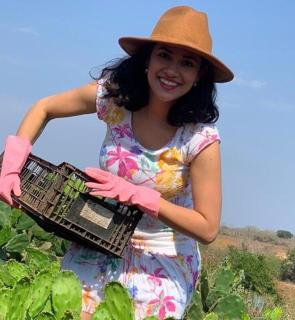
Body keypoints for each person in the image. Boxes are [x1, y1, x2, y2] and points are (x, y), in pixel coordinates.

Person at [0, 6, 233, 320]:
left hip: (162, 254)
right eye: (164, 55)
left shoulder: (199, 138)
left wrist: (141, 196)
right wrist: (12, 165)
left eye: (187, 63)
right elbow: (44, 107)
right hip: (98, 235)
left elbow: (207, 228)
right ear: (147, 59)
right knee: (69, 312)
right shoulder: (115, 100)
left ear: (199, 75)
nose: (172, 70)